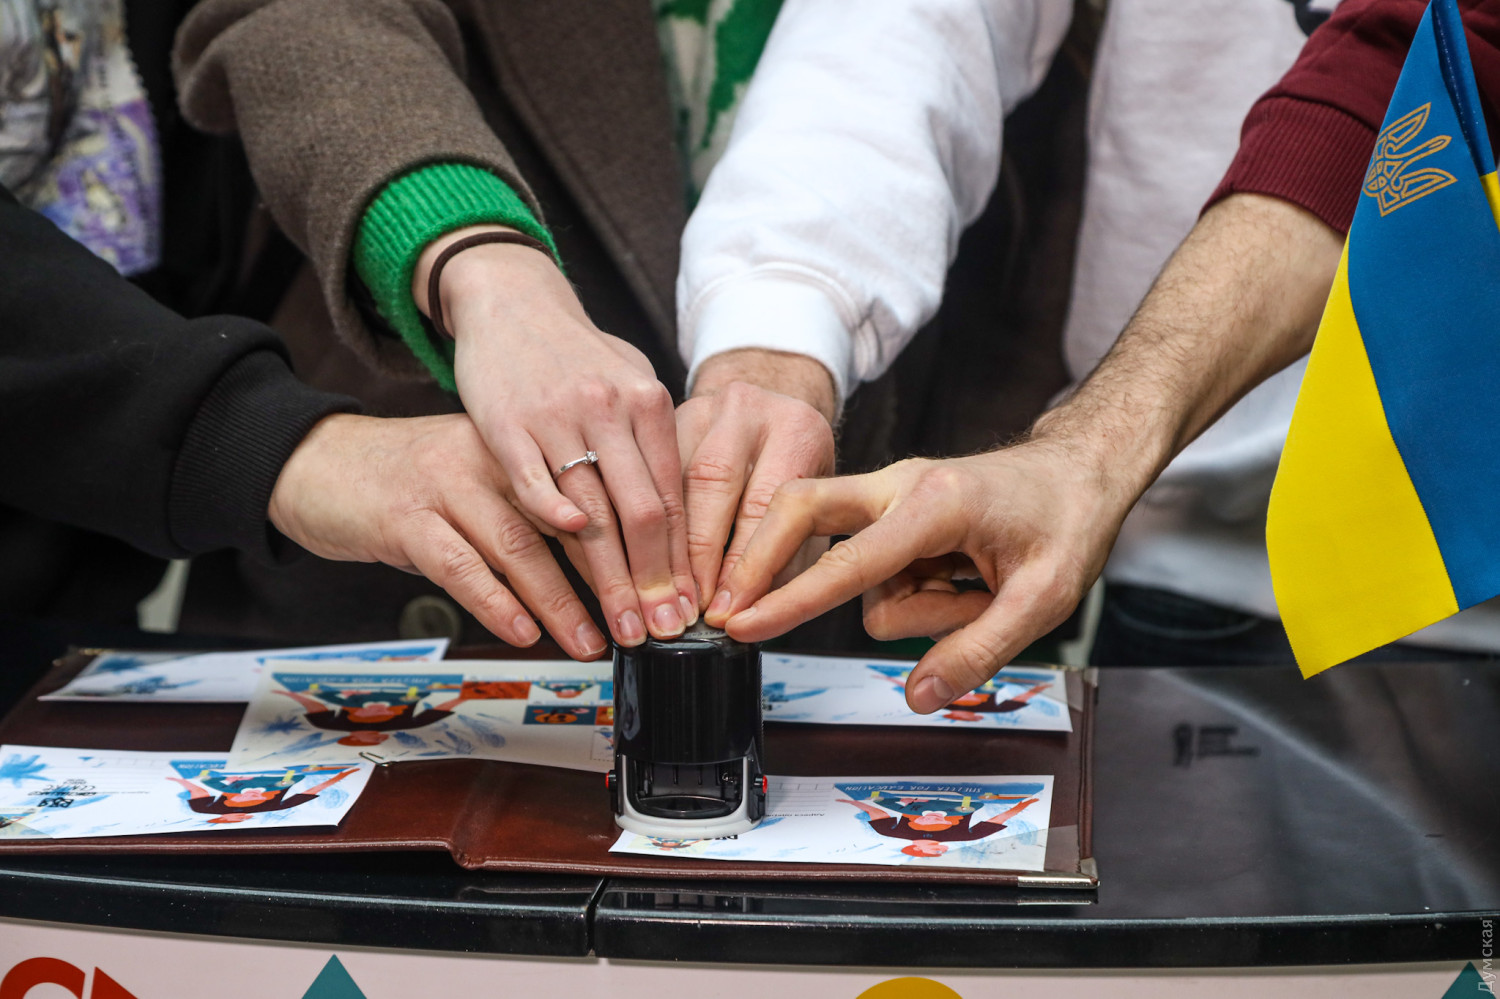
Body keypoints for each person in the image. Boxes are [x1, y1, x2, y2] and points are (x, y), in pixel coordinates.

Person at [697, 0, 1500, 710]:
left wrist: (1088, 453)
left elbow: (1415, 81)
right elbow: (898, 27)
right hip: (1182, 557)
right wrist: (774, 349)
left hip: (1459, 570)